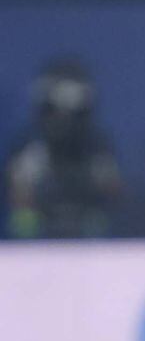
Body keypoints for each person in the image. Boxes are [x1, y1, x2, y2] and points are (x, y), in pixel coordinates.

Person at [4, 58, 122, 238]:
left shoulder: (98, 154)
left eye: (73, 114)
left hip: (93, 249)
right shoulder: (28, 155)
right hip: (33, 250)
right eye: (53, 111)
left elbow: (116, 205)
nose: (62, 123)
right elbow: (16, 210)